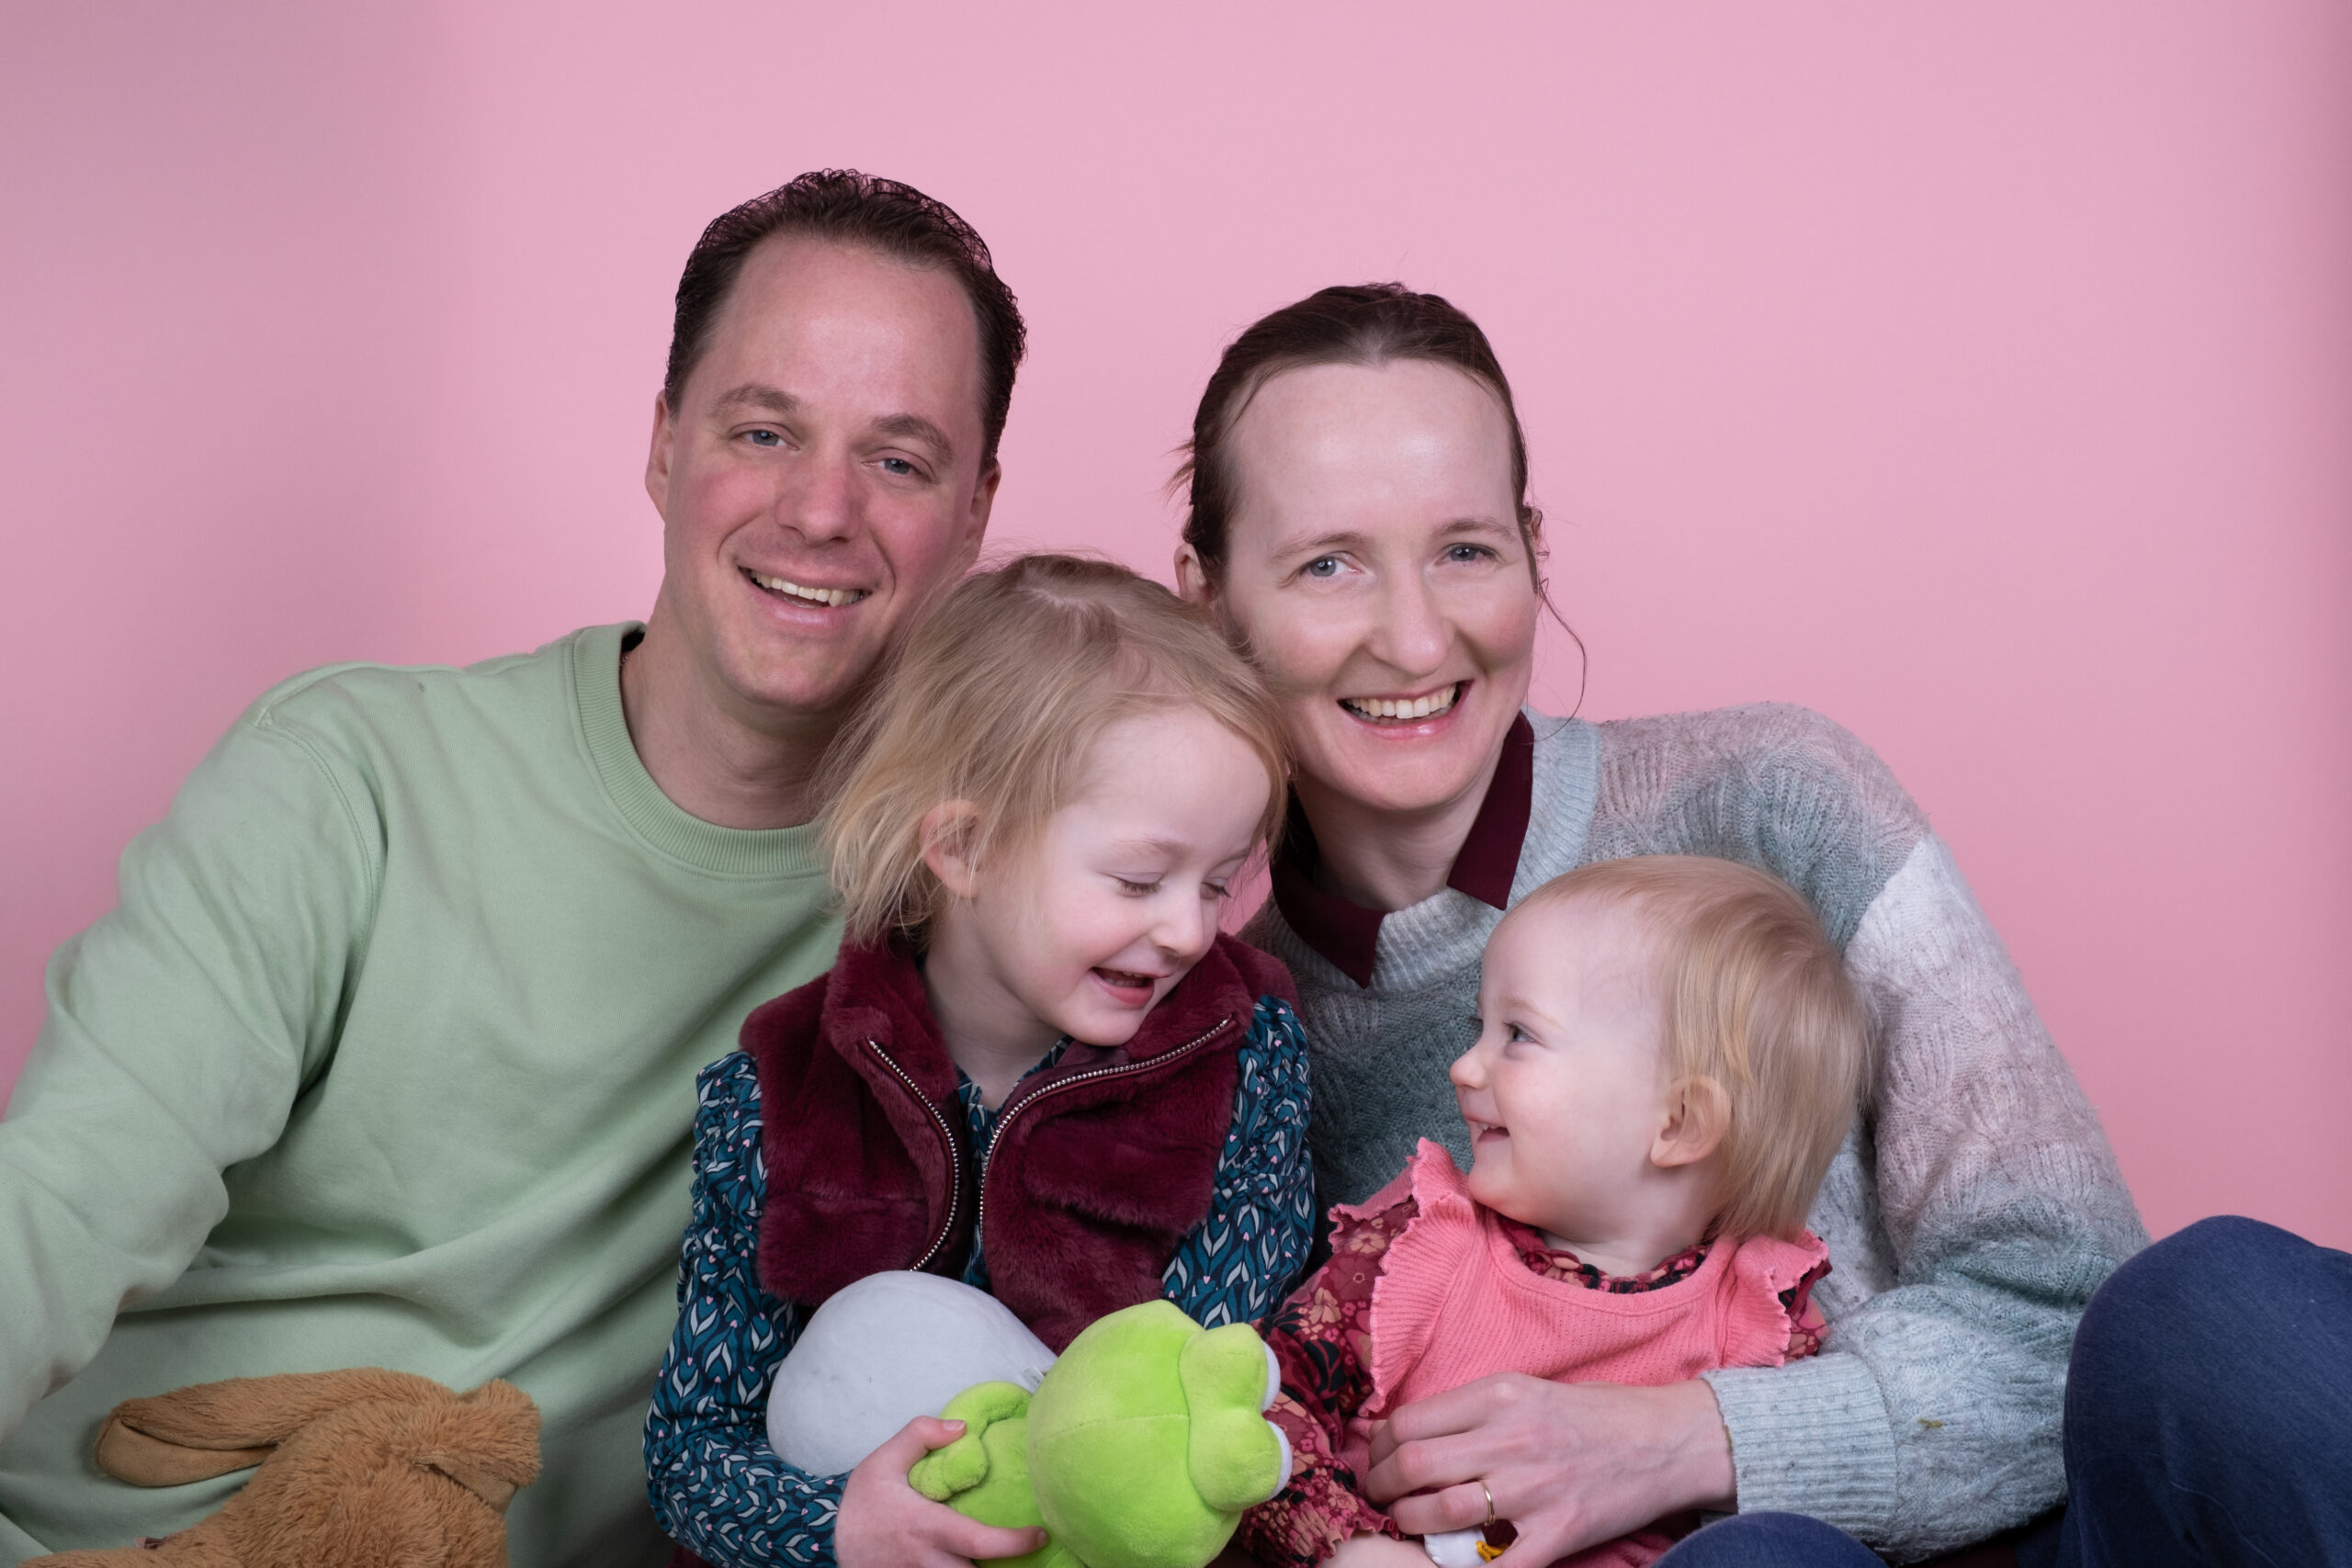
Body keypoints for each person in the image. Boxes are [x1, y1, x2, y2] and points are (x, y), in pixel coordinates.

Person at [0, 169, 1022, 1567]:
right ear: (664, 445)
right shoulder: (354, 776)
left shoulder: (978, 913)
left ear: (975, 512)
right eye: (763, 430)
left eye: (899, 461)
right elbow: (61, 1201)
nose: (821, 508)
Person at [1171, 283, 2150, 1564]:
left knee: (2225, 1303)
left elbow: (2091, 1337)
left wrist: (1688, 1439)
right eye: (1327, 563)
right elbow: (1247, 1441)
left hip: (2016, 1538)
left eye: (1466, 549)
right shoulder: (1226, 1036)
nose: (1413, 638)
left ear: (1534, 552)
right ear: (1206, 598)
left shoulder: (1778, 799)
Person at [643, 554, 1317, 1568]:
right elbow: (690, 1452)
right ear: (963, 848)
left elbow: (1212, 1385)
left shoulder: (1242, 1047)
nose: (1188, 930)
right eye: (1140, 879)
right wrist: (844, 1527)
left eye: (1219, 883)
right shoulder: (775, 1094)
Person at [1242, 856, 1868, 1568]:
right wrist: (1349, 1548)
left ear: (1680, 1122)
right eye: (1480, 1025)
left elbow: (1808, 1484)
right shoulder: (1419, 1244)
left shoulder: (1758, 1314)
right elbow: (1262, 1398)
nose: (1463, 1067)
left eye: (1518, 1034)